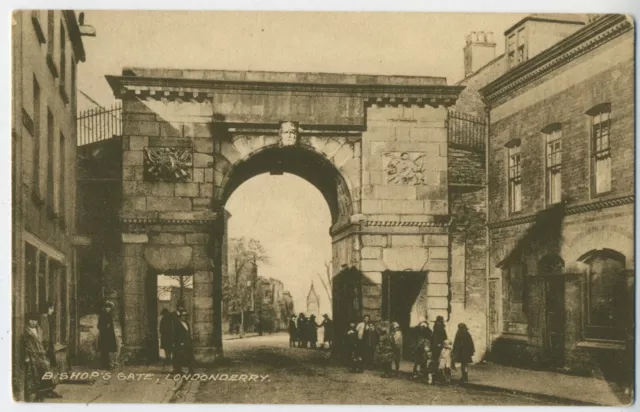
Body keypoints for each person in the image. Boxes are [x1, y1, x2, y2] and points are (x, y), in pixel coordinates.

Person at [23, 312, 61, 401]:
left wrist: (44, 350)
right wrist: (26, 356)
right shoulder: (26, 331)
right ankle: (35, 395)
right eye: (31, 320)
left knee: (43, 374)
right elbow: (24, 345)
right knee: (34, 376)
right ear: (28, 321)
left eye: (35, 320)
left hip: (41, 355)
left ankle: (42, 394)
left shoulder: (39, 330)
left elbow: (43, 341)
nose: (33, 322)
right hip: (32, 356)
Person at [173, 310, 194, 374]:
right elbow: (175, 334)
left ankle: (190, 370)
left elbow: (187, 332)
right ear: (180, 316)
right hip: (180, 343)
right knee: (179, 356)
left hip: (187, 342)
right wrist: (180, 342)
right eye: (183, 316)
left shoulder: (186, 323)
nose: (185, 317)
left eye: (185, 316)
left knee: (188, 356)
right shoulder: (176, 324)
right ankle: (178, 370)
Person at [97, 301, 117, 370]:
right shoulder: (102, 315)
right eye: (107, 307)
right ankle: (104, 365)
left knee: (107, 350)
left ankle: (107, 365)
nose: (108, 309)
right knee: (104, 350)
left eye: (109, 308)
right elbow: (99, 326)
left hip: (109, 336)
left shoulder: (109, 315)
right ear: (105, 308)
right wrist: (106, 326)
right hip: (104, 335)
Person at [39, 301, 56, 369]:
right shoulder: (43, 318)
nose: (52, 310)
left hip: (47, 342)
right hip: (44, 343)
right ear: (46, 308)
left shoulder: (46, 318)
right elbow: (44, 333)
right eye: (51, 308)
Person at [431, 316, 447, 380]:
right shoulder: (441, 327)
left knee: (436, 359)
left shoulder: (436, 327)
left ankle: (436, 373)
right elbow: (444, 337)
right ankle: (439, 374)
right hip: (439, 346)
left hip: (435, 346)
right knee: (440, 359)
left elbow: (433, 337)